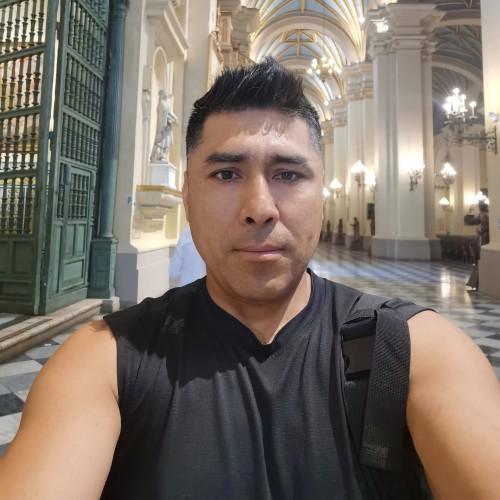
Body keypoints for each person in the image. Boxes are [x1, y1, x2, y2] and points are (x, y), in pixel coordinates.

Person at [1, 58, 500, 499]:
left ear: (320, 195)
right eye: (226, 174)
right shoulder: (106, 361)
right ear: (187, 196)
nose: (259, 208)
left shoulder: (416, 351)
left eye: (288, 174)